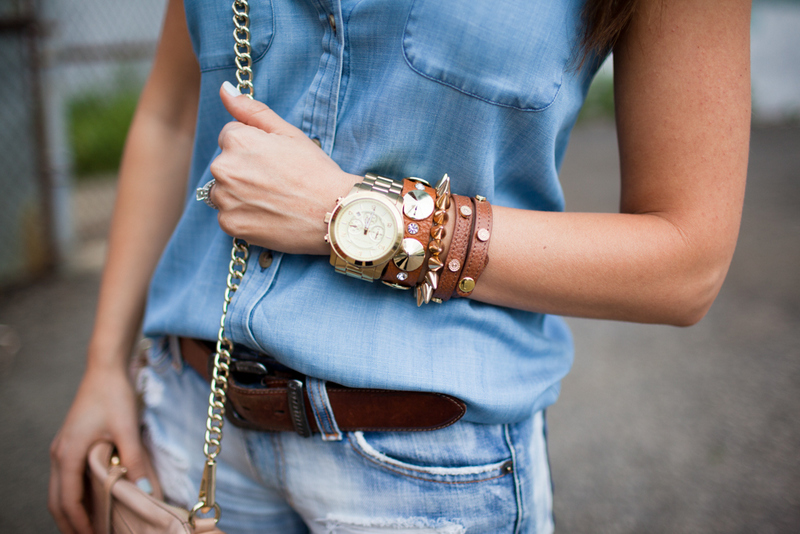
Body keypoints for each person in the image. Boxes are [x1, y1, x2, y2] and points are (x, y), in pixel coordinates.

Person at [49, 0, 751, 532]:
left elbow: (686, 264)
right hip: (187, 419)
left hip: (430, 475)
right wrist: (103, 365)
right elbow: (171, 114)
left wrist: (350, 213)